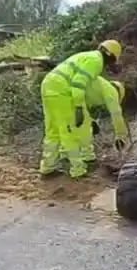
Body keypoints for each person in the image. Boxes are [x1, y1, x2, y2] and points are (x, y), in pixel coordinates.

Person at [39, 39, 122, 178]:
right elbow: (78, 85)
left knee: (52, 130)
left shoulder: (88, 56)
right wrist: (77, 108)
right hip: (62, 90)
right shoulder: (96, 61)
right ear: (111, 57)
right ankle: (78, 170)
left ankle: (47, 168)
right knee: (69, 131)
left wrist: (89, 118)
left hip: (49, 85)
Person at [82, 78, 129, 162]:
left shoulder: (99, 87)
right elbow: (116, 115)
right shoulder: (111, 93)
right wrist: (120, 136)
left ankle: (80, 157)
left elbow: (86, 106)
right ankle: (86, 158)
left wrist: (91, 121)